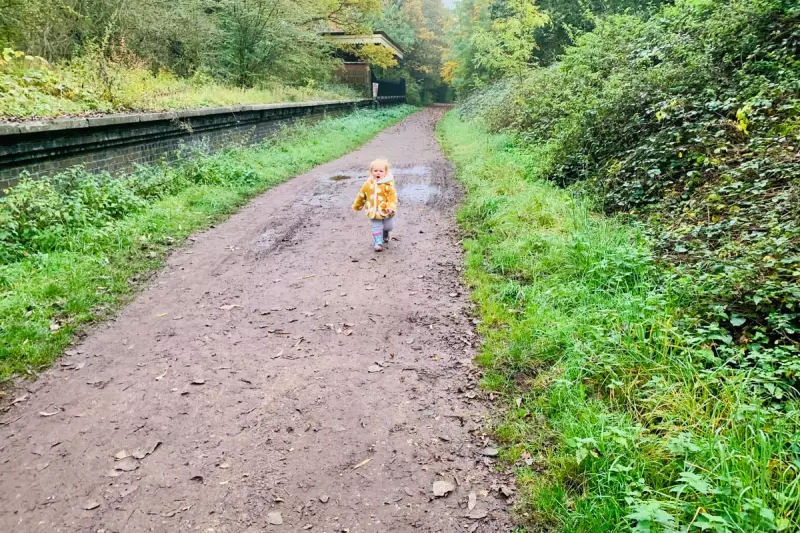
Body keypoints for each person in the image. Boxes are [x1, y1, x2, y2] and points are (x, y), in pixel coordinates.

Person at [352, 158, 397, 252]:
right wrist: (357, 206)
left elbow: (393, 198)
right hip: (373, 212)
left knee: (388, 226)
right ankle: (378, 242)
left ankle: (385, 232)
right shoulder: (367, 185)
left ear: (385, 173)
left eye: (381, 171)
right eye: (375, 171)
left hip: (386, 211)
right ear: (371, 172)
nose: (378, 173)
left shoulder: (388, 186)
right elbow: (361, 196)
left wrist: (390, 207)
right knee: (376, 226)